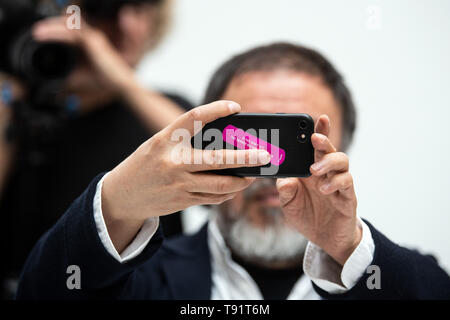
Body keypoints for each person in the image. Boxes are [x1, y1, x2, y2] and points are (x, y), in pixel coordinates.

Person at [16, 43, 450, 299]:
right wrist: (117, 202)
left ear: (342, 151)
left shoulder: (392, 278)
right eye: (248, 142)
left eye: (295, 144)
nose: (269, 172)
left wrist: (344, 244)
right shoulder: (140, 280)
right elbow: (43, 293)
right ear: (209, 144)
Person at [0, 0, 188, 298]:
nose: (126, 26)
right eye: (103, 9)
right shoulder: (18, 108)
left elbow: (218, 156)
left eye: (140, 9)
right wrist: (12, 93)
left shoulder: (163, 111)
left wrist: (119, 80)